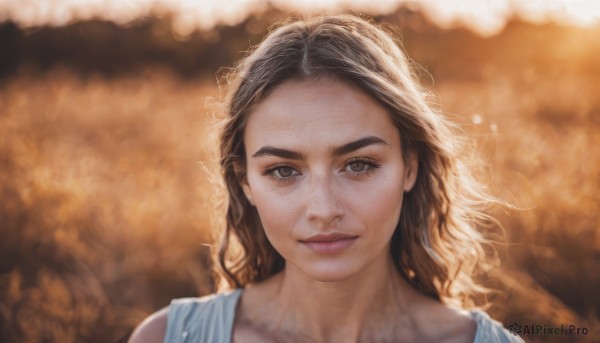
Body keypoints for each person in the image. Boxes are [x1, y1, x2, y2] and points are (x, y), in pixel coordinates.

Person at [130, 14, 523, 343]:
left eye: (359, 164)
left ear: (411, 166)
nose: (323, 209)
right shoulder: (167, 336)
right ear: (245, 182)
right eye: (283, 171)